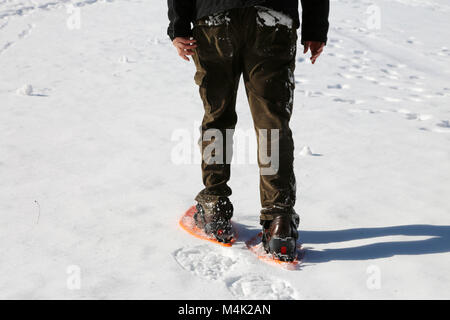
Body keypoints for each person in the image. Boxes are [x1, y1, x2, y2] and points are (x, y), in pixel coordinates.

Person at [168, 0, 329, 261]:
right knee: (271, 122)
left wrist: (178, 24)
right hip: (272, 17)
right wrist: (315, 28)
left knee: (217, 116)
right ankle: (279, 222)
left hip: (215, 18)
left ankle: (214, 209)